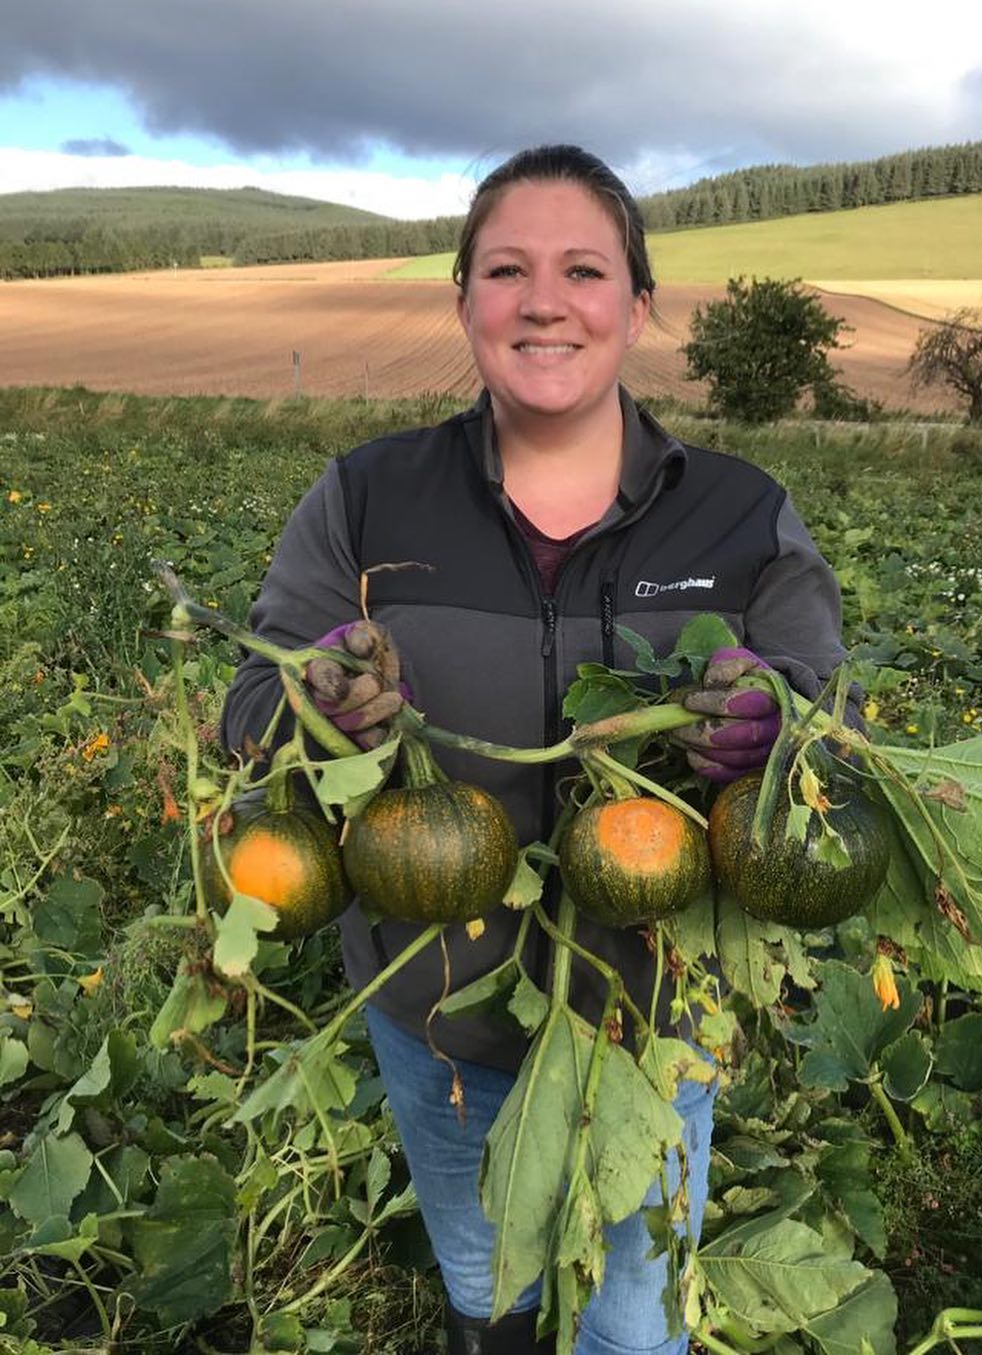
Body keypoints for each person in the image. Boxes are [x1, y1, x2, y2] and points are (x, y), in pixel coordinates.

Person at [221, 145, 851, 1355]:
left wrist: (782, 730)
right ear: (463, 298)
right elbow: (252, 697)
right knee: (486, 1279)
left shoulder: (740, 511)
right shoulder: (366, 496)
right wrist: (314, 700)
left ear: (638, 304)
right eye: (507, 269)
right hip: (433, 1010)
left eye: (584, 270)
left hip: (654, 1019)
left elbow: (834, 713)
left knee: (632, 1319)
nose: (544, 302)